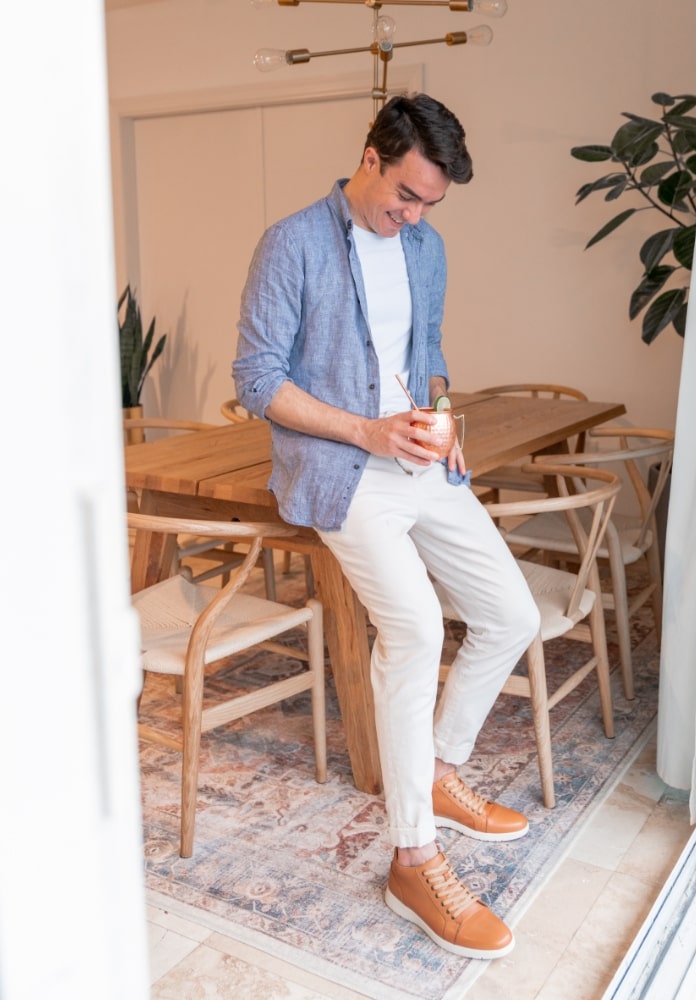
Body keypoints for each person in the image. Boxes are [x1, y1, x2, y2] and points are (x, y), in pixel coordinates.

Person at [233, 93, 540, 959]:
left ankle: (435, 772)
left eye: (428, 205)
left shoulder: (424, 247)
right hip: (341, 471)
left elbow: (428, 351)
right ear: (371, 156)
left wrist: (443, 418)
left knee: (510, 615)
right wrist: (365, 431)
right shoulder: (291, 243)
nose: (412, 215)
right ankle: (413, 856)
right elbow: (257, 378)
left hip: (418, 462)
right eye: (404, 195)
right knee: (410, 628)